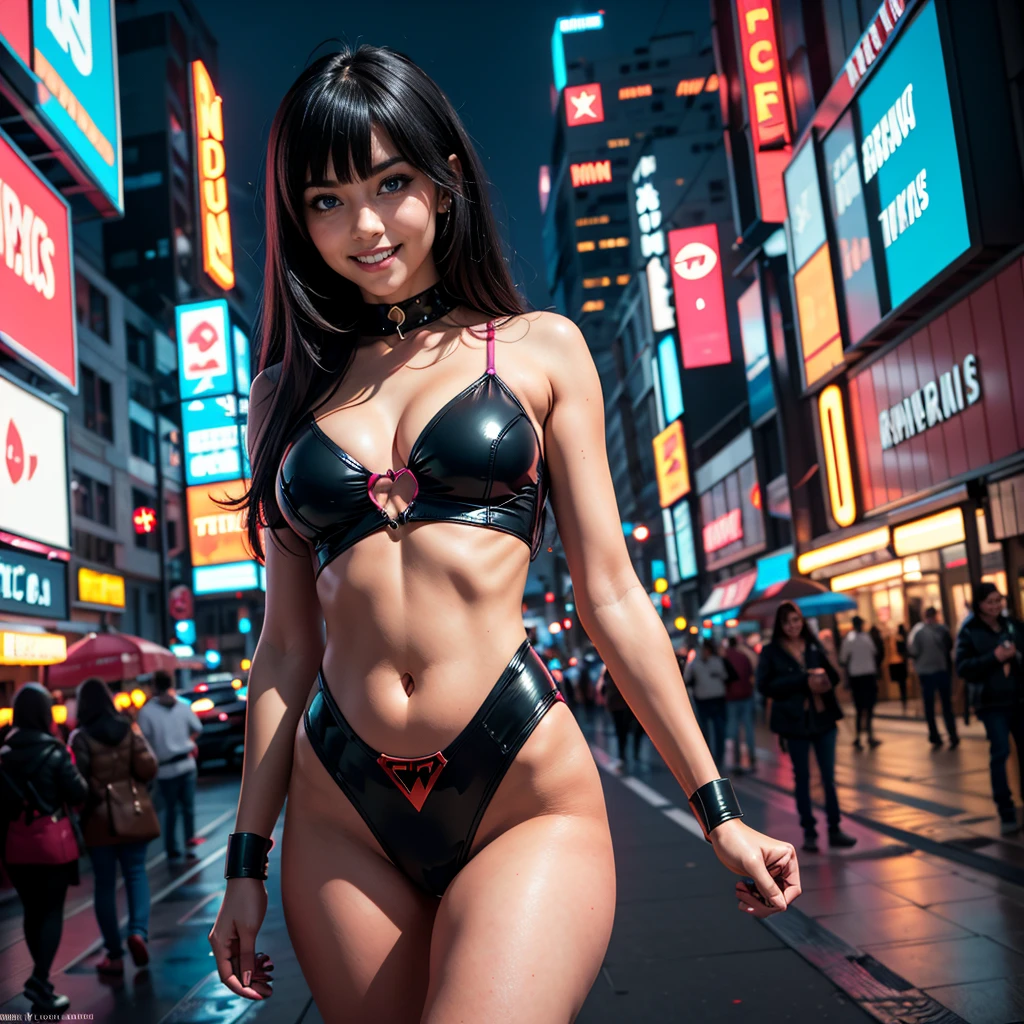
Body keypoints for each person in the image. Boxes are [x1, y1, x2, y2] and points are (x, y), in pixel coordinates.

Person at [207, 46, 801, 1020]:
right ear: (294, 219)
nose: (364, 225)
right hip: (340, 806)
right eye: (324, 199)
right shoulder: (281, 392)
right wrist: (243, 862)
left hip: (515, 777)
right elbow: (282, 648)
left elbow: (608, 597)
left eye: (390, 182)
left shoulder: (538, 348)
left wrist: (720, 812)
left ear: (443, 182)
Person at [0, 684, 88, 1014]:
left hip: (15, 845)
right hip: (52, 845)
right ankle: (39, 980)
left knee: (31, 912)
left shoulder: (3, 755)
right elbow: (78, 793)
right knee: (51, 911)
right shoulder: (55, 752)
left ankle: (43, 987)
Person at [71, 678, 160, 976]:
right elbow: (149, 768)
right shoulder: (127, 728)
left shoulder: (80, 737)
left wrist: (97, 790)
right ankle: (138, 932)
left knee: (105, 885)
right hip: (133, 813)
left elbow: (77, 782)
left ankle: (114, 954)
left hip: (98, 821)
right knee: (136, 874)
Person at [757, 603, 857, 853]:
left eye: (796, 620)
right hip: (794, 722)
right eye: (788, 622)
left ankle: (834, 828)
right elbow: (765, 686)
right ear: (780, 626)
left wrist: (824, 672)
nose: (793, 626)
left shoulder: (813, 647)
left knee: (828, 778)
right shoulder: (771, 652)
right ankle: (809, 831)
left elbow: (834, 678)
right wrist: (802, 680)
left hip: (823, 718)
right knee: (802, 778)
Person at [955, 583, 1024, 835]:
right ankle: (1005, 810)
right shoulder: (970, 631)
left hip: (1018, 698)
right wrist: (993, 657)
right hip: (991, 703)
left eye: (998, 600)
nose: (995, 606)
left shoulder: (1013, 626)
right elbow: (963, 667)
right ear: (979, 604)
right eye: (990, 602)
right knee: (1001, 752)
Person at [137, 670, 202, 862]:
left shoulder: (146, 712)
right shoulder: (183, 706)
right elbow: (198, 728)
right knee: (188, 807)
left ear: (154, 686)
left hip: (164, 769)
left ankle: (172, 848)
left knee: (170, 809)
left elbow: (143, 740)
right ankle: (190, 841)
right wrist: (190, 741)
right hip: (187, 763)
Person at [910, 607, 958, 749]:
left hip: (926, 671)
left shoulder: (918, 631)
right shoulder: (942, 629)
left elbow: (913, 651)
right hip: (941, 669)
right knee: (946, 704)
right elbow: (949, 647)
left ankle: (935, 736)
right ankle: (952, 734)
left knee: (930, 705)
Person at [683, 640, 732, 769]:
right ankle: (708, 758)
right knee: (705, 730)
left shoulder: (717, 661)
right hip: (703, 700)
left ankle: (719, 758)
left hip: (717, 699)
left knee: (719, 729)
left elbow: (725, 676)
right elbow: (686, 678)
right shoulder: (695, 663)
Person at [840, 617, 881, 749]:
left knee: (864, 707)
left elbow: (843, 659)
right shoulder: (860, 638)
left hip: (862, 676)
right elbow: (874, 653)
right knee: (864, 707)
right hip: (862, 676)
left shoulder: (853, 639)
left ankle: (864, 736)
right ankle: (863, 736)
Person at [598, 663, 642, 770]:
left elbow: (603, 688)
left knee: (621, 731)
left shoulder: (608, 670)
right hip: (624, 705)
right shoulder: (623, 669)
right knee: (627, 730)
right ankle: (630, 754)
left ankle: (624, 755)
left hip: (617, 705)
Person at [724, 636, 757, 773]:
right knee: (748, 728)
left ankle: (737, 761)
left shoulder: (726, 658)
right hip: (746, 695)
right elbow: (750, 672)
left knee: (735, 728)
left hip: (731, 697)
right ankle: (752, 758)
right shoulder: (743, 657)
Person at [890, 625, 909, 713]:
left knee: (901, 685)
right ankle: (904, 701)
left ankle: (904, 701)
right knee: (903, 684)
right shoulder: (904, 638)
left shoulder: (897, 639)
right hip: (902, 663)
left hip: (898, 663)